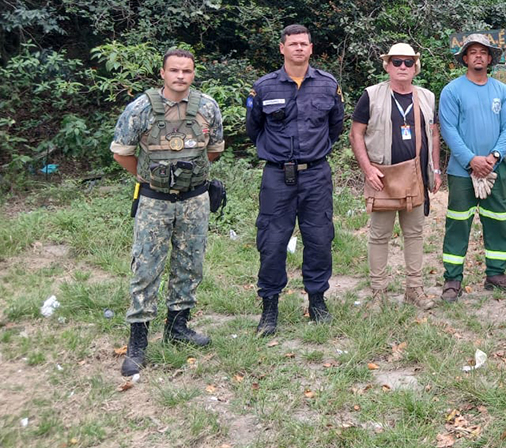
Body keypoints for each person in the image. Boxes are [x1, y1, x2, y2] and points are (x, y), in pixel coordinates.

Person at [111, 48, 224, 376]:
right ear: (162, 72)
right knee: (146, 267)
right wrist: (148, 176)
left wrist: (186, 175)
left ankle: (178, 326)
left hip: (194, 200)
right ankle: (139, 341)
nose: (180, 77)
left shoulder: (207, 107)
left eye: (186, 71)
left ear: (193, 73)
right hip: (154, 201)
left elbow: (213, 150)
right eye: (174, 70)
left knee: (190, 264)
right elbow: (122, 152)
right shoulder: (142, 108)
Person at [246, 24, 345, 336]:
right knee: (272, 241)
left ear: (311, 49)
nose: (299, 48)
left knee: (319, 238)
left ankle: (317, 301)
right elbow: (254, 128)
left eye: (304, 44)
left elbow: (335, 127)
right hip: (278, 176)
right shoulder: (264, 88)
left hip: (316, 174)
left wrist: (313, 154)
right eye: (293, 44)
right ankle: (269, 308)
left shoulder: (328, 85)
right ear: (282, 49)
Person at [350, 42, 441, 309]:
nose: (403, 67)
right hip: (383, 177)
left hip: (415, 177)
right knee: (379, 236)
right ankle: (378, 294)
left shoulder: (427, 96)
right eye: (397, 62)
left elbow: (434, 133)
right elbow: (356, 133)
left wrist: (435, 169)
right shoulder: (371, 95)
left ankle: (414, 290)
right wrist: (367, 169)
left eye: (408, 62)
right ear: (387, 65)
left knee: (415, 235)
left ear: (416, 67)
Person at [439, 33, 506, 302]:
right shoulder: (452, 91)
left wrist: (493, 157)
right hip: (462, 172)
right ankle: (452, 280)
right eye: (473, 52)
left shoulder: (502, 91)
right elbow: (448, 129)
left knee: (497, 222)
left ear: (490, 58)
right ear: (465, 58)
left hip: (496, 169)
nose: (478, 56)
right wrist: (471, 160)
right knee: (458, 224)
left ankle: (495, 274)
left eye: (483, 52)